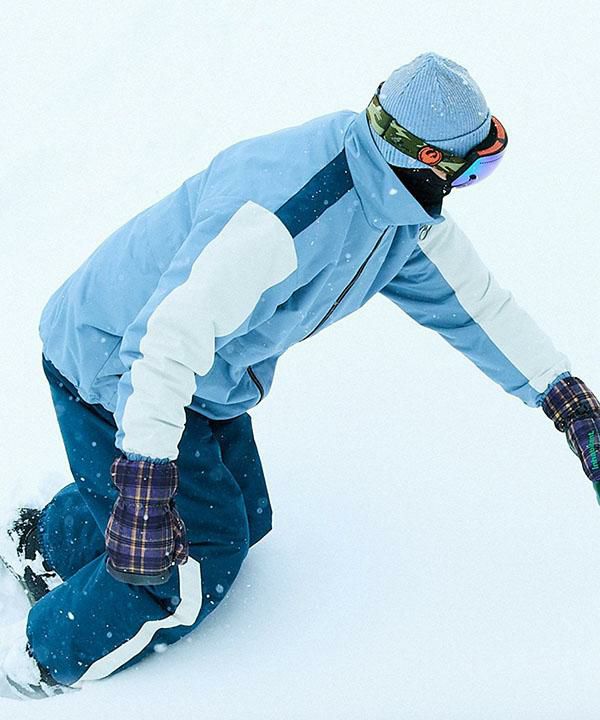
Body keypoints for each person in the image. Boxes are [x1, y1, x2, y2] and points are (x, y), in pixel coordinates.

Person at [1, 51, 598, 700]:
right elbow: (163, 342)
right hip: (115, 365)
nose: (470, 182)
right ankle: (37, 662)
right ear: (428, 158)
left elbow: (479, 307)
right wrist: (144, 483)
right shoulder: (287, 212)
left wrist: (566, 400)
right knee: (188, 565)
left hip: (200, 376)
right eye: (474, 167)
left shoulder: (396, 207)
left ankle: (39, 543)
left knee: (244, 513)